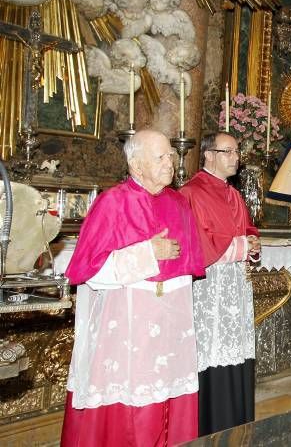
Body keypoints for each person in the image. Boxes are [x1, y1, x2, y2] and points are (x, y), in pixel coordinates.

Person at [61, 129, 205, 447]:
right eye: (161, 156)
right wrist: (147, 253)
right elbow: (90, 273)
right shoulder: (112, 203)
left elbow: (188, 270)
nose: (171, 162)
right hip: (126, 337)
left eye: (171, 155)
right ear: (136, 165)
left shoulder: (179, 203)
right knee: (127, 418)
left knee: (167, 406)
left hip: (169, 335)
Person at [179, 132, 261, 436]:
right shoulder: (191, 192)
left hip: (235, 288)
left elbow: (248, 230)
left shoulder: (234, 194)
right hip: (209, 290)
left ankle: (237, 425)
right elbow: (200, 243)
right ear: (209, 154)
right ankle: (212, 426)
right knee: (211, 348)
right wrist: (242, 246)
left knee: (235, 349)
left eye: (237, 152)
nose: (235, 158)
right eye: (228, 152)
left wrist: (253, 243)